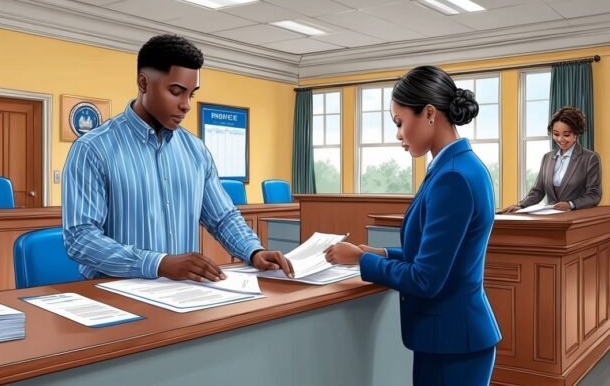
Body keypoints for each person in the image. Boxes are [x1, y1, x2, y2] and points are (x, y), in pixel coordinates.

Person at [62, 34, 292, 283]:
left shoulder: (195, 151)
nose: (186, 105)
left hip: (183, 294)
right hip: (116, 294)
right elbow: (80, 237)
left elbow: (223, 217)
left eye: (191, 94)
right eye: (176, 92)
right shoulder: (92, 149)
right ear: (143, 83)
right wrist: (158, 263)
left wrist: (253, 250)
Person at [324, 66, 501, 386]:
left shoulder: (453, 177)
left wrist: (361, 260)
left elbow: (426, 278)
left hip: (452, 341)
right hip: (452, 336)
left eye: (399, 122)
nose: (398, 134)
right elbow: (436, 255)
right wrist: (379, 252)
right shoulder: (457, 166)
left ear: (430, 113)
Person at [499, 106, 601, 213]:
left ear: (576, 134)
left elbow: (594, 195)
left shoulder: (589, 158)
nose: (560, 139)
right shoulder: (547, 158)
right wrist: (521, 206)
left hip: (575, 216)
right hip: (551, 217)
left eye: (566, 135)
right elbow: (538, 191)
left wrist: (570, 204)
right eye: (556, 134)